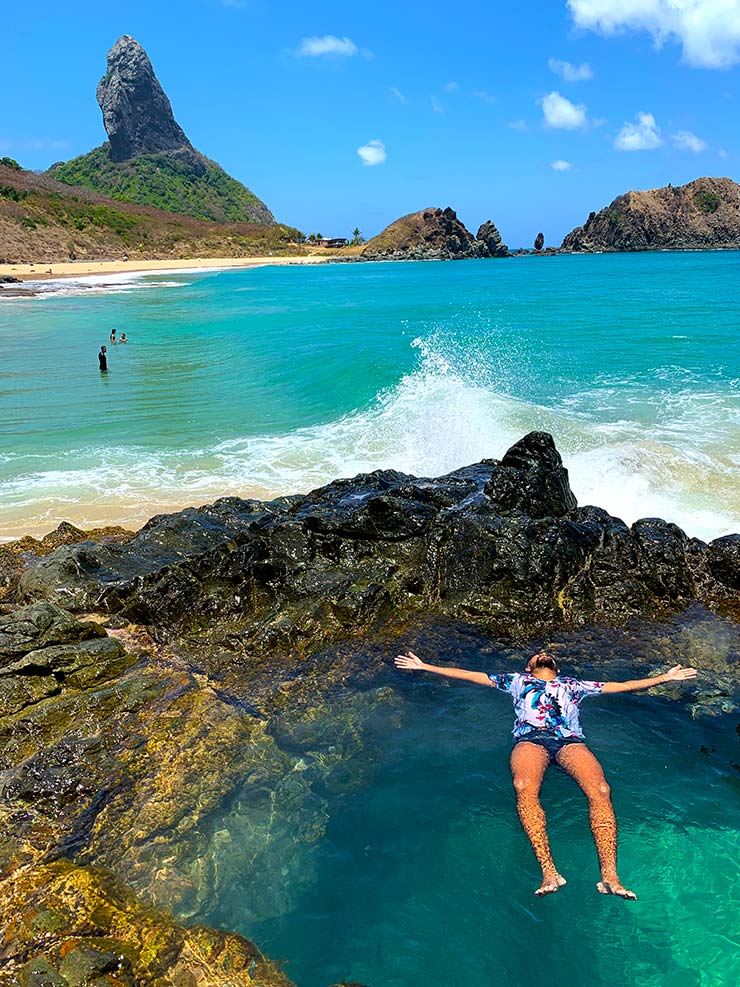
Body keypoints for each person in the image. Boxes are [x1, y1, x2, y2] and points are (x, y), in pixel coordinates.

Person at [394, 648, 697, 899]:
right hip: (530, 742)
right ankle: (549, 872)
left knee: (601, 790)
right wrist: (425, 666)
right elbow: (471, 676)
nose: (542, 654)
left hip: (570, 743)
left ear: (556, 667)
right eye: (537, 656)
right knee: (523, 785)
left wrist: (666, 677)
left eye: (547, 655)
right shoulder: (514, 681)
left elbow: (621, 686)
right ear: (529, 668)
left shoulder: (574, 685)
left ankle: (609, 876)